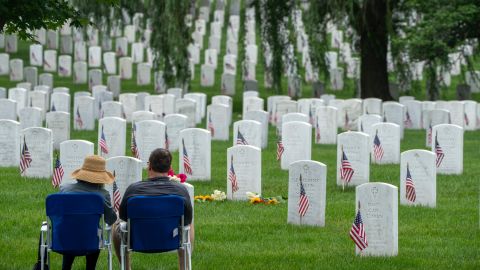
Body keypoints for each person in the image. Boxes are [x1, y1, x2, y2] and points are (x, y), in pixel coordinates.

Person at [113, 148, 193, 270]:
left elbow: (123, 216)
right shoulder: (180, 190)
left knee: (116, 223)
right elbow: (187, 219)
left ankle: (126, 267)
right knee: (189, 224)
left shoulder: (133, 190)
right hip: (171, 239)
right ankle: (184, 267)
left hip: (137, 240)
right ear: (169, 167)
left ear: (149, 166)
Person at [59, 155, 117, 270]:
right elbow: (111, 219)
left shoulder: (64, 189)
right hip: (91, 240)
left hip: (64, 237)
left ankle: (66, 267)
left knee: (71, 229)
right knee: (93, 233)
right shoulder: (102, 195)